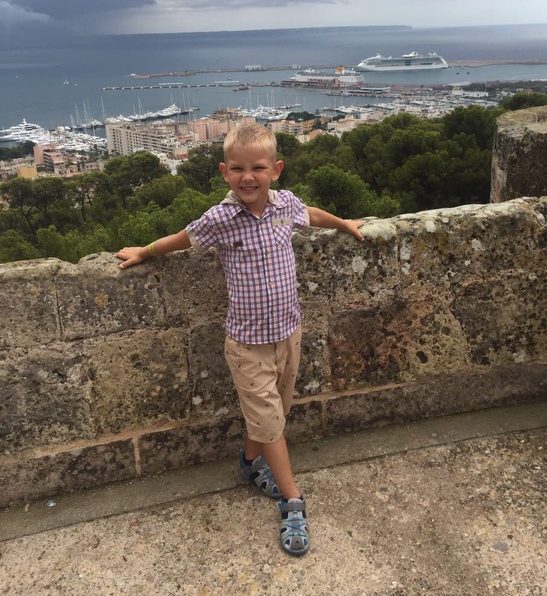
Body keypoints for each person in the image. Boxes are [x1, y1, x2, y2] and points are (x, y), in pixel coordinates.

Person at [116, 123, 365, 556]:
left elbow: (313, 214)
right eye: (237, 169)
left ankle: (249, 465)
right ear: (224, 172)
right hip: (248, 344)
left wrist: (344, 224)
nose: (248, 177)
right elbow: (183, 239)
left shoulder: (286, 205)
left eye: (258, 168)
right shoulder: (221, 218)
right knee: (270, 422)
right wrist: (145, 251)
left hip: (288, 333)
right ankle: (293, 501)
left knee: (274, 415)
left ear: (276, 170)